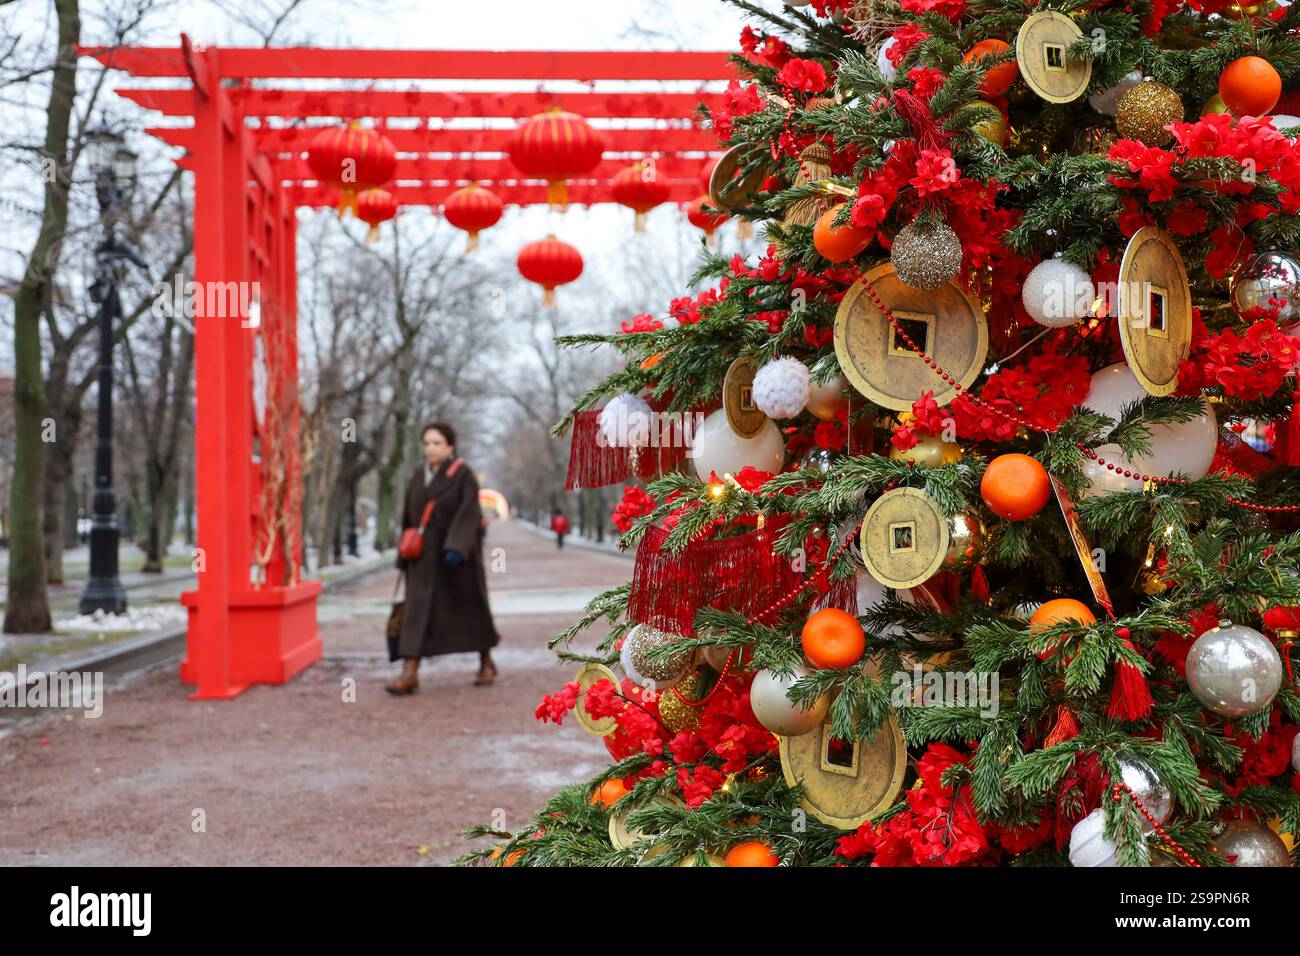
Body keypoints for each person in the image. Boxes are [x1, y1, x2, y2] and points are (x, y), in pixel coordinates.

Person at [388, 422, 499, 694]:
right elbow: (409, 516)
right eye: (426, 443)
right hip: (422, 559)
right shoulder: (417, 475)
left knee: (470, 611)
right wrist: (404, 552)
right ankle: (410, 672)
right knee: (416, 613)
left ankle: (486, 662)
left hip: (456, 559)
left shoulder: (463, 475)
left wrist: (457, 547)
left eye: (436, 443)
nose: (430, 448)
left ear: (450, 446)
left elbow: (469, 512)